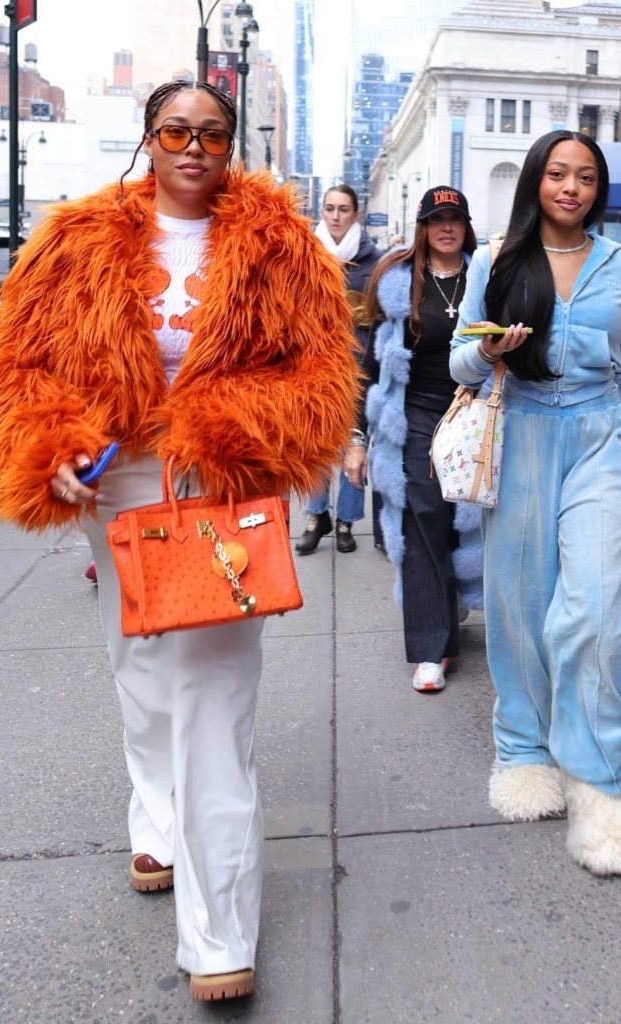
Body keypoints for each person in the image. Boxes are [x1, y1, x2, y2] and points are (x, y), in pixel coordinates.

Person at [0, 82, 358, 999]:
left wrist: (229, 424)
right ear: (148, 139)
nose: (194, 147)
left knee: (210, 697)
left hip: (222, 482)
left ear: (231, 145)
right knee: (141, 668)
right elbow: (19, 364)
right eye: (175, 131)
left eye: (212, 134)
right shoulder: (72, 243)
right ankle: (154, 815)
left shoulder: (283, 247)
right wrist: (53, 447)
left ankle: (219, 930)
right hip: (114, 482)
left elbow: (319, 374)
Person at [450, 130, 621, 876]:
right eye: (558, 174)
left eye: (586, 177)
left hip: (601, 435)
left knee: (593, 600)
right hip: (520, 430)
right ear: (536, 181)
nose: (572, 188)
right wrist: (489, 350)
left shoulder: (618, 263)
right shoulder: (496, 258)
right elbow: (458, 355)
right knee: (521, 603)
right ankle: (525, 750)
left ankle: (596, 778)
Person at [345, 187, 484, 692]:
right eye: (436, 218)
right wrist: (357, 437)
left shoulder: (486, 275)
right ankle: (432, 647)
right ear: (423, 226)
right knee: (424, 518)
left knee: (462, 523)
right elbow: (372, 364)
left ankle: (450, 603)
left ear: (466, 225)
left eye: (455, 218)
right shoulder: (398, 281)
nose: (446, 226)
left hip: (479, 417)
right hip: (418, 417)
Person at [295, 184, 381, 555]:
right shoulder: (304, 254)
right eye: (329, 208)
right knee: (314, 441)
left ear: (356, 214)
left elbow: (382, 318)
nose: (335, 216)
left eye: (343, 209)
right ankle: (316, 516)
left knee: (354, 440)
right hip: (312, 363)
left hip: (358, 365)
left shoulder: (374, 261)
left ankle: (346, 520)